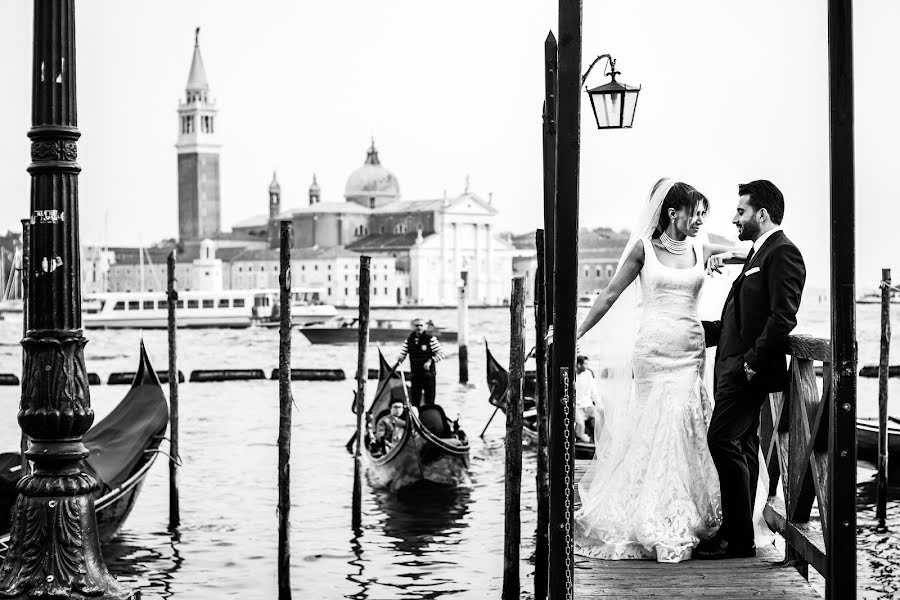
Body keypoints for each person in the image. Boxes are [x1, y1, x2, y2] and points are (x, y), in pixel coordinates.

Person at [570, 178, 747, 563]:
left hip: (690, 351)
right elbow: (610, 294)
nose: (701, 221)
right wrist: (576, 333)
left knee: (689, 425)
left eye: (704, 214)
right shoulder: (643, 250)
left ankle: (694, 511)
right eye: (695, 213)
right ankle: (655, 512)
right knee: (658, 424)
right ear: (672, 213)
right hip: (652, 353)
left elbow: (749, 251)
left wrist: (722, 257)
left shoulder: (701, 246)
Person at [695, 180, 805, 560]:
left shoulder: (783, 252)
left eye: (740, 211)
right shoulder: (761, 253)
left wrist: (750, 363)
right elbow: (741, 318)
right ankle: (737, 534)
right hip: (733, 367)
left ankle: (737, 537)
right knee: (740, 445)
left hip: (748, 371)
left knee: (721, 440)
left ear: (761, 214)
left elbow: (782, 317)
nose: (734, 218)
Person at [395, 318, 445, 407]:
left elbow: (441, 354)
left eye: (421, 325)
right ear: (412, 327)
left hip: (428, 375)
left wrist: (430, 361)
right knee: (415, 400)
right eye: (416, 325)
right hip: (415, 375)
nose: (419, 328)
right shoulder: (408, 341)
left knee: (429, 400)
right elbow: (402, 356)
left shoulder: (431, 339)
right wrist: (398, 362)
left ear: (424, 327)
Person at [574, 355, 602, 443]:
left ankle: (597, 443)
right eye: (585, 364)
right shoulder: (572, 376)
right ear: (579, 365)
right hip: (577, 407)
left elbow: (594, 391)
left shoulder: (588, 374)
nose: (587, 366)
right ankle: (583, 442)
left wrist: (599, 404)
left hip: (588, 405)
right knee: (580, 425)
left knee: (598, 421)